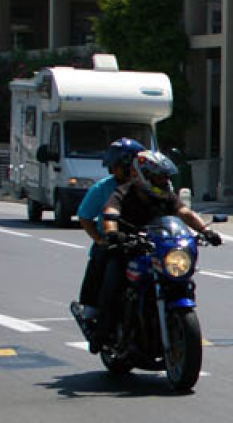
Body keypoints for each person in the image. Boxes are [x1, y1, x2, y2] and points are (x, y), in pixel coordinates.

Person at [91, 147, 221, 352]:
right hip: (128, 249)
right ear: (143, 175)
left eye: (165, 177)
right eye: (158, 177)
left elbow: (184, 212)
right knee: (112, 284)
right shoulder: (124, 192)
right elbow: (111, 212)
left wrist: (205, 231)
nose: (163, 181)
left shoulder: (167, 195)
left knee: (184, 281)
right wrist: (113, 232)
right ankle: (102, 334)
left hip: (158, 249)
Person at [72, 139, 140, 332]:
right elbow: (85, 216)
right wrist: (100, 239)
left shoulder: (148, 186)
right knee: (103, 260)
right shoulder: (102, 188)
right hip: (115, 243)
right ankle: (93, 312)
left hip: (144, 242)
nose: (112, 170)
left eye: (116, 166)